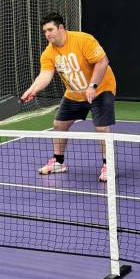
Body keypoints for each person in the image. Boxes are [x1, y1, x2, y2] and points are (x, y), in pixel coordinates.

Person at [20, 12, 118, 182]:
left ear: (61, 28)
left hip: (101, 88)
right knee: (58, 125)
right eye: (44, 31)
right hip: (74, 92)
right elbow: (45, 75)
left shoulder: (83, 40)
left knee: (102, 128)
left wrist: (92, 86)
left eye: (50, 29)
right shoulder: (48, 53)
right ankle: (58, 162)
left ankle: (108, 165)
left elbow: (102, 62)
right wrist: (32, 89)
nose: (47, 34)